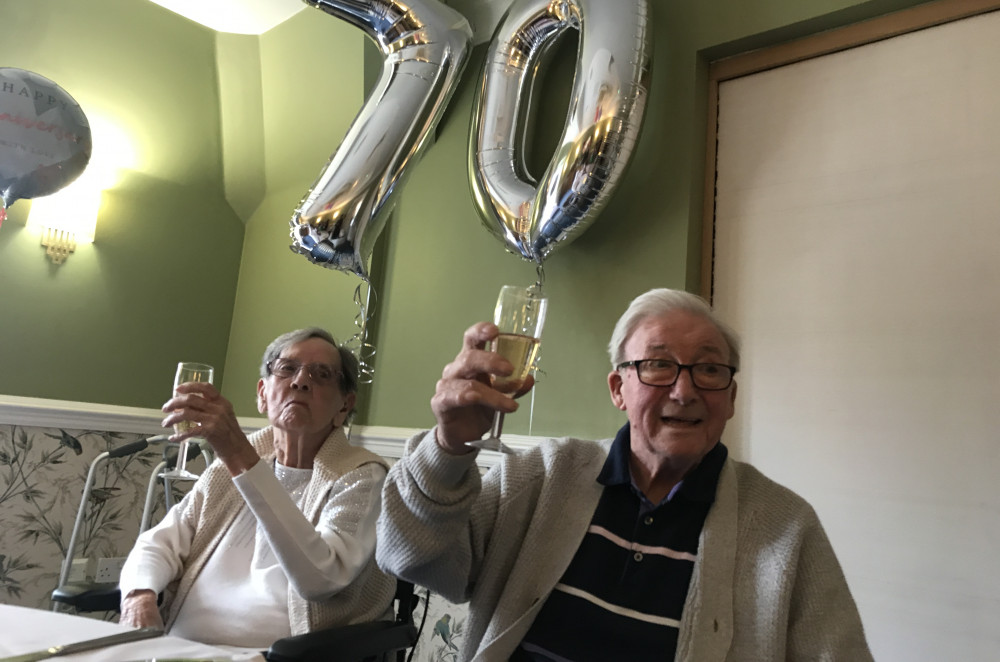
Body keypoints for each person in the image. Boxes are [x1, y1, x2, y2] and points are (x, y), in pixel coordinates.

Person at [376, 288, 873, 661]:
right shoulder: (544, 476)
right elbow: (411, 558)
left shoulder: (785, 528)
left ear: (731, 398)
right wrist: (448, 449)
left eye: (709, 369)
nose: (685, 391)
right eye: (659, 365)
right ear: (618, 388)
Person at [119, 328, 395, 652]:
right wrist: (139, 598)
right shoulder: (232, 466)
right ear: (263, 394)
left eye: (321, 375)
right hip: (177, 648)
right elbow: (161, 540)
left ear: (344, 406)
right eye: (287, 369)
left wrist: (238, 453)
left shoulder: (362, 477)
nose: (300, 381)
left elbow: (321, 579)